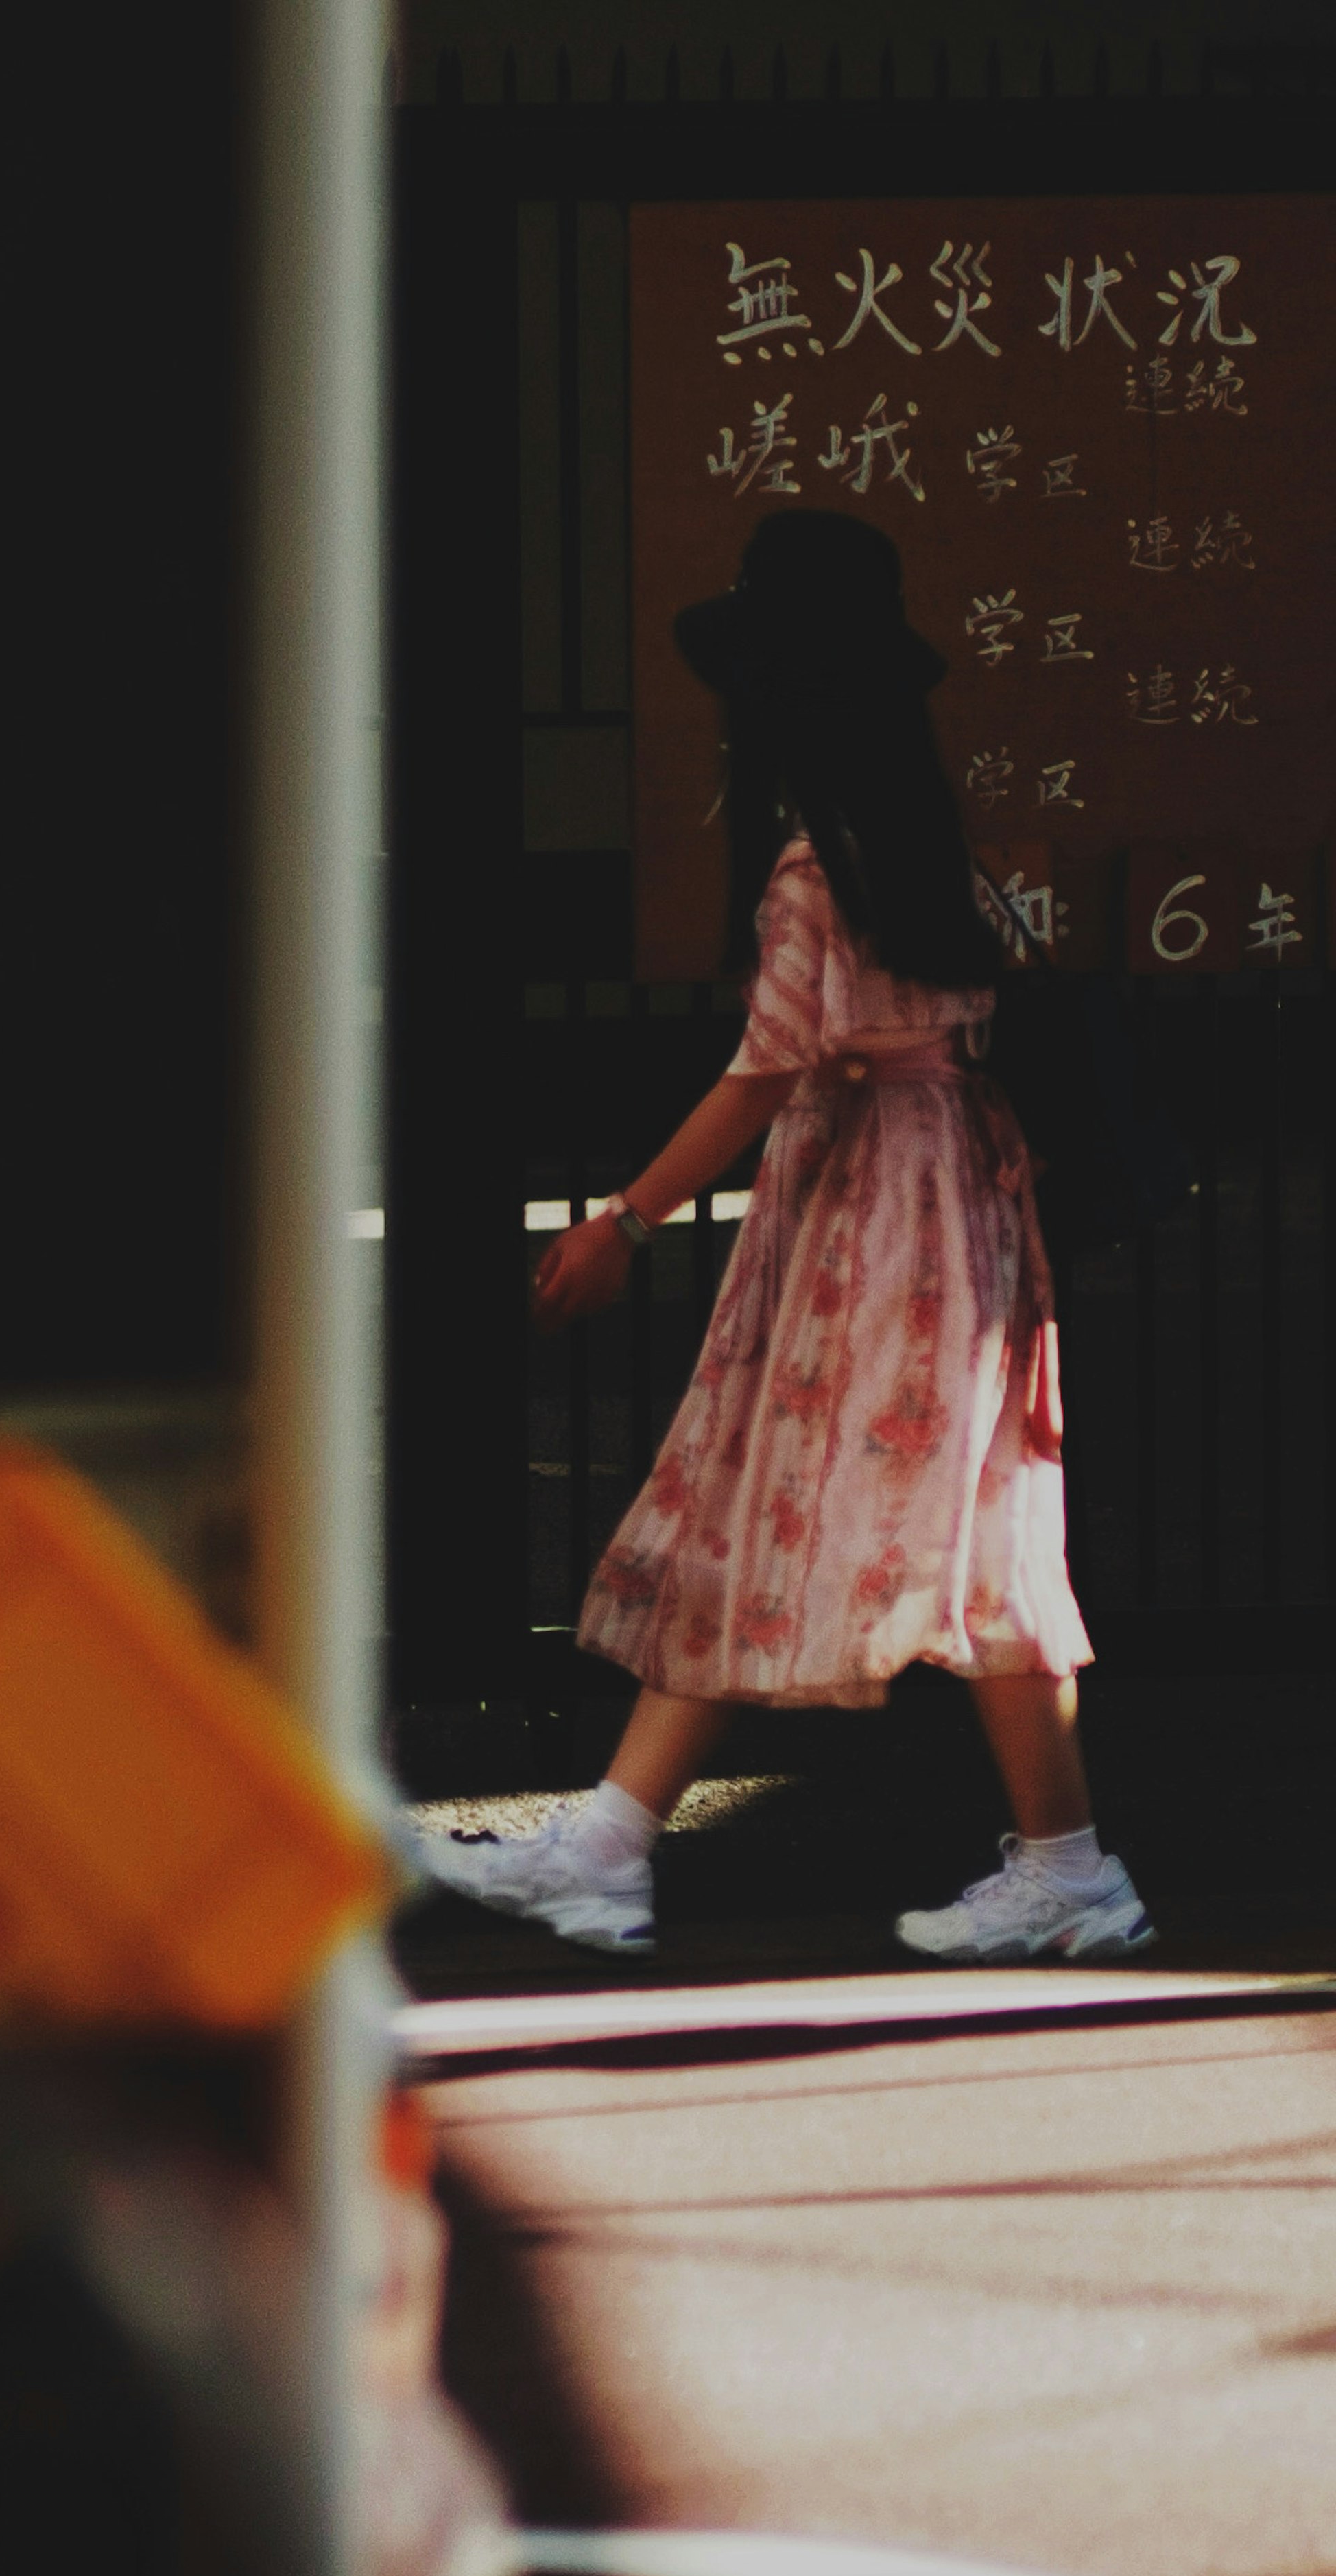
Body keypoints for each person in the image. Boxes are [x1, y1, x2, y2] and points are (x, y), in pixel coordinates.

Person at [412, 508, 1151, 1967]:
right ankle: (625, 1844)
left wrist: (623, 1220)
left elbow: (763, 1070)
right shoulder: (922, 847)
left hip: (868, 1218)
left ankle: (1053, 1864)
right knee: (895, 1522)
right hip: (949, 1208)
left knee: (794, 1507)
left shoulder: (822, 862)